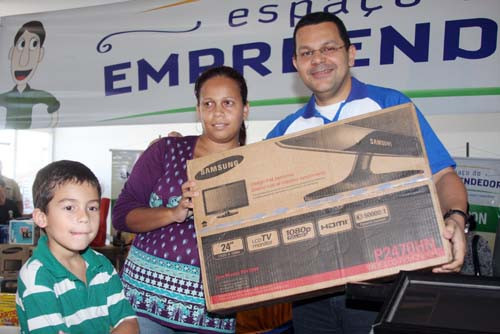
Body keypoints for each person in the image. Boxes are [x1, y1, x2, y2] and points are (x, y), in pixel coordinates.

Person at [266, 11, 468, 334]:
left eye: (328, 48)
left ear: (350, 53)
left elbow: (443, 175)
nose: (318, 59)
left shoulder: (391, 106)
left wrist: (456, 218)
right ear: (295, 63)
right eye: (306, 53)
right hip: (310, 297)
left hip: (384, 285)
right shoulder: (284, 133)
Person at [112, 66, 249, 333]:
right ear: (198, 109)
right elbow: (121, 215)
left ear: (245, 109)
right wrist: (172, 213)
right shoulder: (166, 151)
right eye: (208, 103)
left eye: (228, 103)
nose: (217, 112)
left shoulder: (256, 166)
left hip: (211, 315)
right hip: (143, 304)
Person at [16, 160, 138, 334]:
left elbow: (129, 324)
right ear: (42, 217)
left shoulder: (102, 265)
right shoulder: (36, 276)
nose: (84, 217)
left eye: (92, 207)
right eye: (69, 207)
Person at [0, 20, 60, 129]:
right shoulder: (7, 96)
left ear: (40, 55)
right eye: (21, 45)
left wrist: (52, 123)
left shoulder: (34, 95)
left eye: (33, 45)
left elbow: (51, 101)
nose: (24, 60)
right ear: (11, 52)